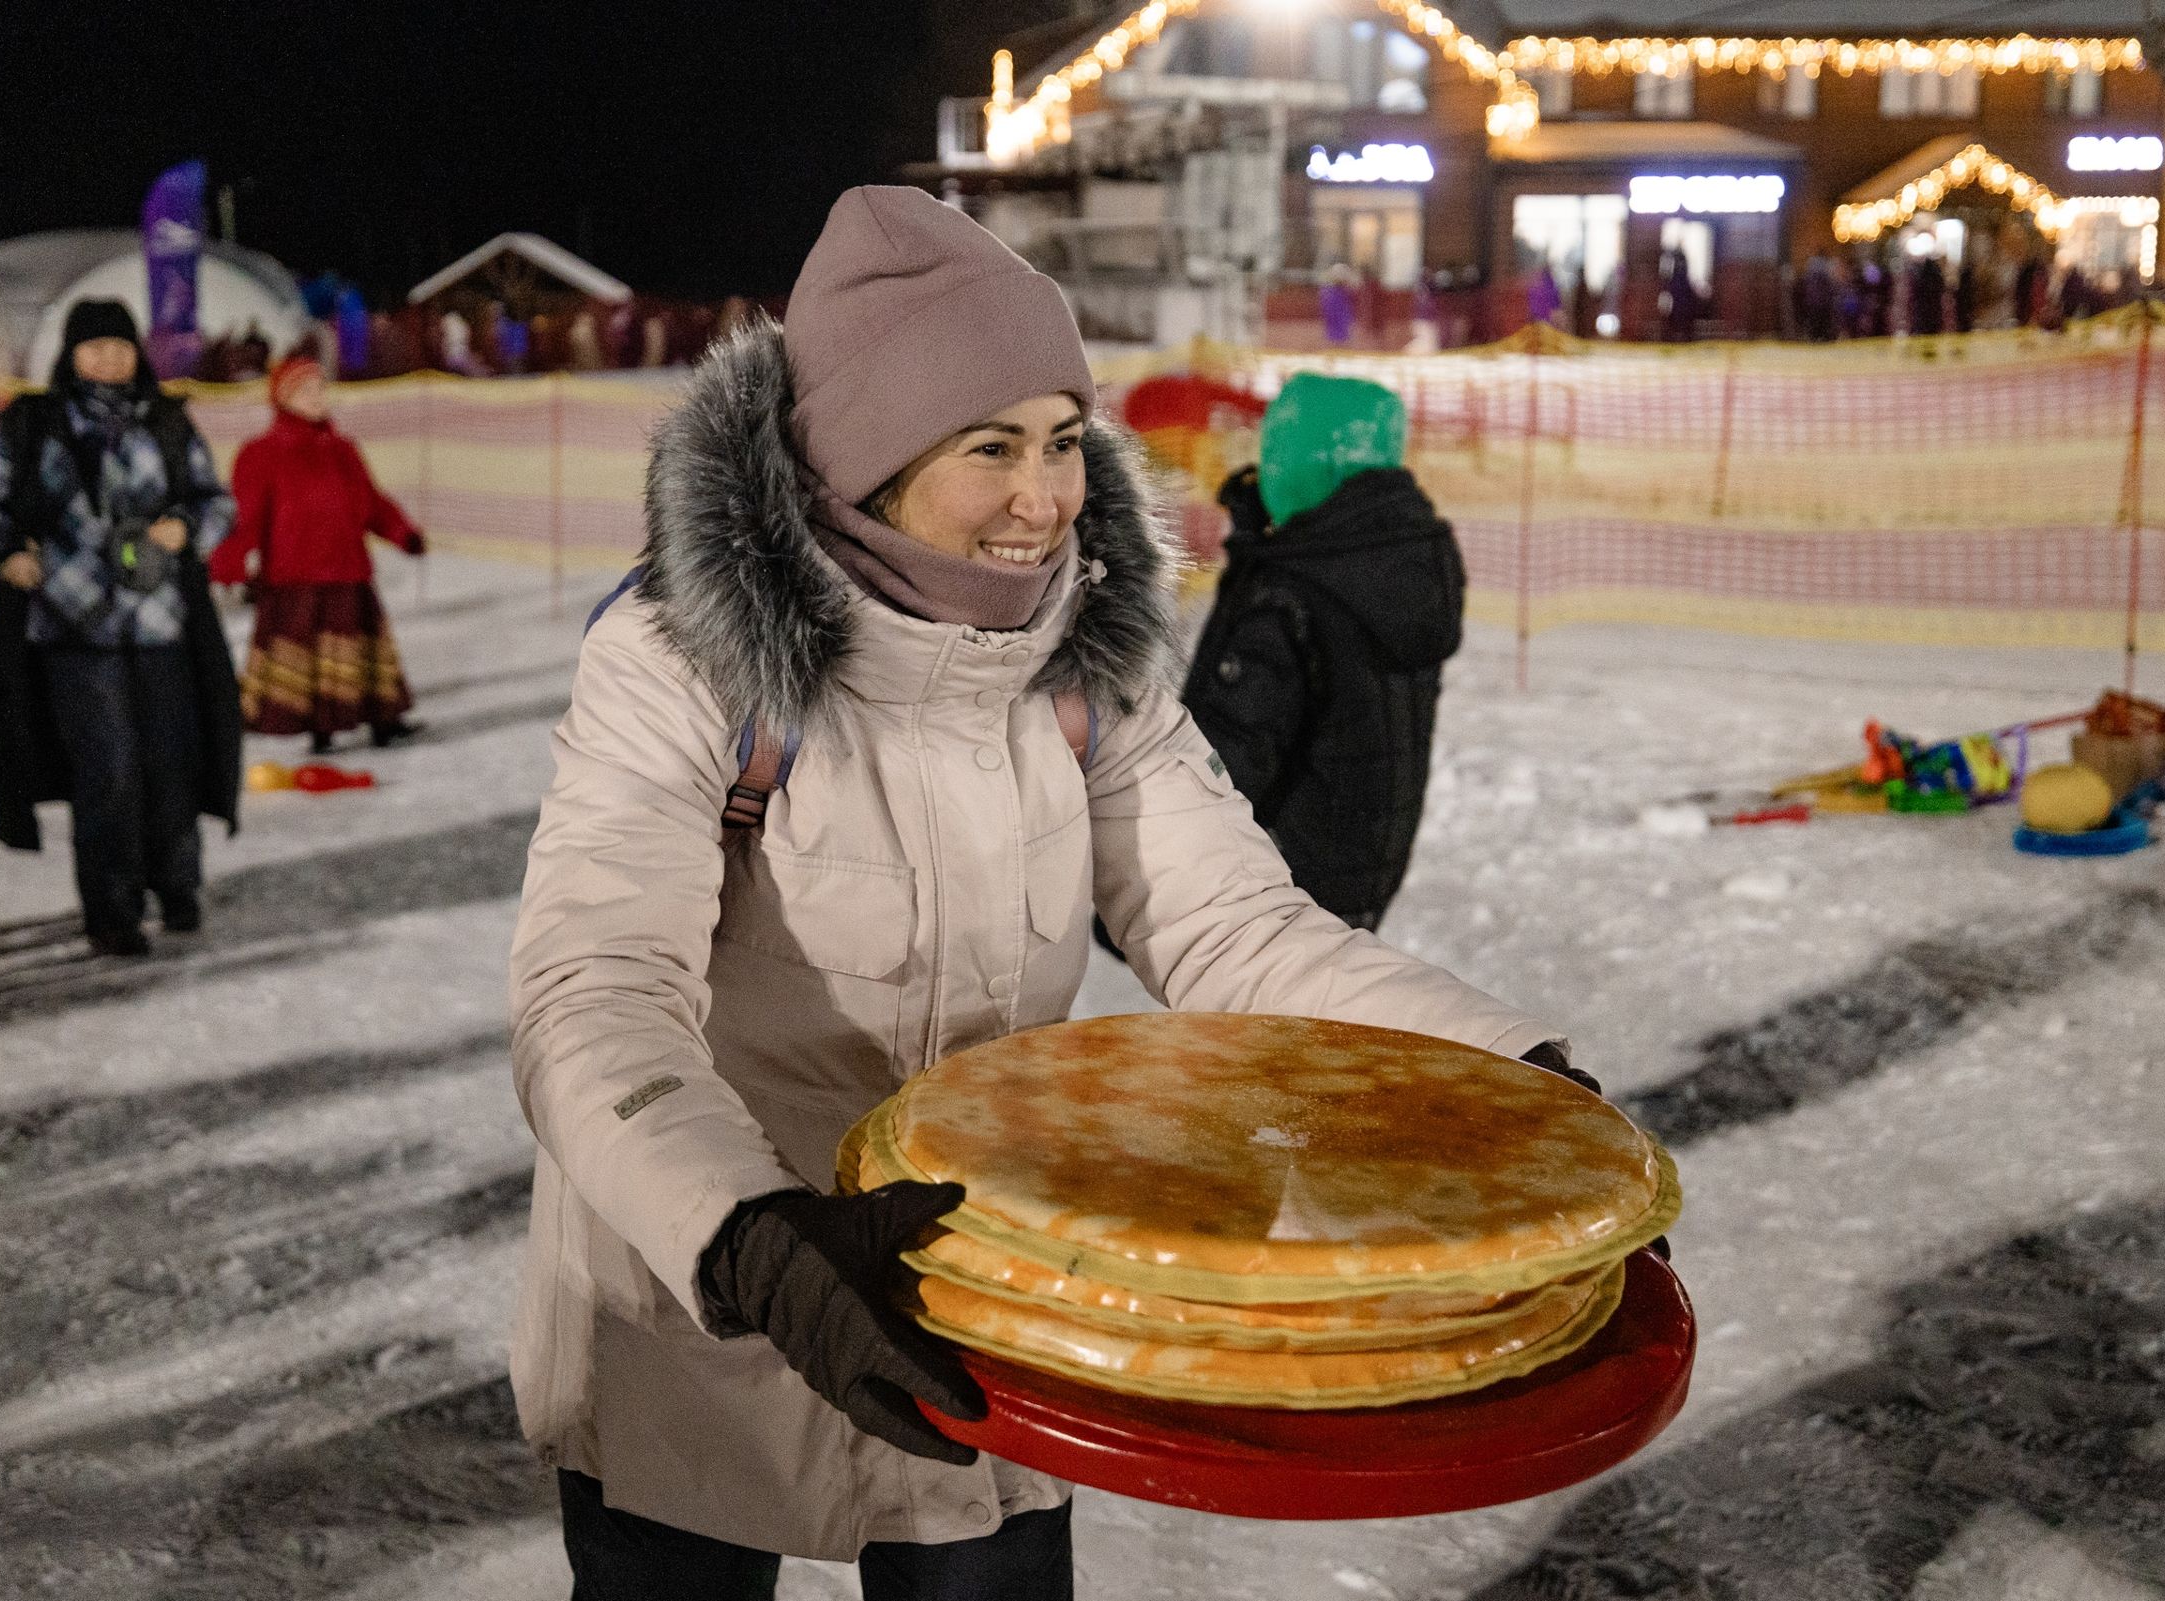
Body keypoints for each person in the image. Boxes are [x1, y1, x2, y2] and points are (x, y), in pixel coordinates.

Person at [508, 187, 1586, 1599]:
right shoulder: (683, 663)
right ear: (867, 459)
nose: (1047, 497)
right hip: (705, 1278)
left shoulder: (1087, 659)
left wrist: (1499, 1065)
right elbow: (594, 991)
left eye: (1066, 440)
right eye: (990, 447)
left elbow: (1230, 924)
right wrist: (752, 1239)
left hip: (988, 1284)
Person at [0, 299, 240, 956]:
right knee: (108, 769)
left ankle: (177, 884)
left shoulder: (166, 421)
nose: (110, 359)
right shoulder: (30, 423)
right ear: (71, 354)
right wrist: (8, 549)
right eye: (95, 347)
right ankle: (112, 907)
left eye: (120, 346)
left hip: (159, 622)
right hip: (69, 625)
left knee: (169, 761)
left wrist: (184, 527)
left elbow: (214, 500)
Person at [1179, 373, 1462, 931]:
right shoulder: (1405, 555)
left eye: (1278, 448)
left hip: (1274, 881)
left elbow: (1224, 766)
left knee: (1254, 1020)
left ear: (1312, 461)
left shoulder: (1289, 592)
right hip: (1359, 869)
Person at [211, 356, 426, 753]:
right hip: (295, 578)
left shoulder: (343, 450)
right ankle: (318, 729)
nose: (316, 396)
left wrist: (402, 533)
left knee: (363, 654)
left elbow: (371, 503)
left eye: (319, 388)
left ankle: (384, 720)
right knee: (307, 658)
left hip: (348, 572)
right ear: (283, 398)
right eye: (304, 390)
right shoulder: (261, 453)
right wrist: (229, 561)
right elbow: (245, 517)